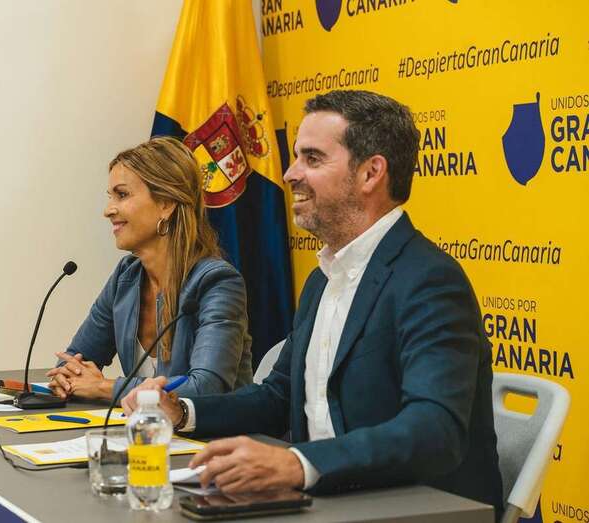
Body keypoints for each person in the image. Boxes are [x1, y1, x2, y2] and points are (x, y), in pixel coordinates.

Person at [122, 90, 504, 517]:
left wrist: (297, 463)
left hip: (411, 509)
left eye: (313, 159)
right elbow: (279, 396)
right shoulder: (324, 277)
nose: (290, 174)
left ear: (371, 173)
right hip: (328, 501)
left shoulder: (428, 281)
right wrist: (182, 411)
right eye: (295, 157)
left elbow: (434, 431)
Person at [47, 136, 253, 402]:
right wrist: (66, 377)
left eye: (122, 195)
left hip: (212, 429)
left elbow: (206, 389)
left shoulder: (217, 282)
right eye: (110, 197)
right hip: (146, 427)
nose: (108, 210)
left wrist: (104, 387)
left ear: (166, 203)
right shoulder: (127, 276)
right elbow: (75, 361)